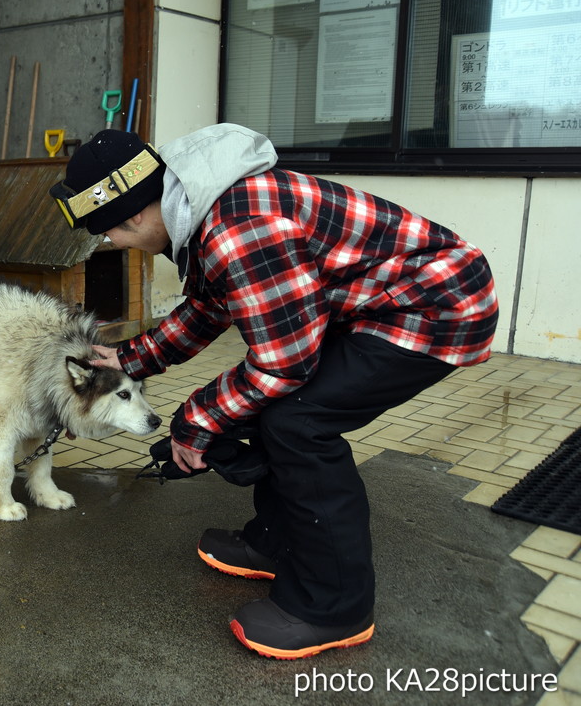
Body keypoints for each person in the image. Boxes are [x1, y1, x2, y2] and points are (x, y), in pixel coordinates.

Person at [49, 124, 499, 660]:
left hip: (435, 308)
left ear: (136, 214)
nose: (112, 245)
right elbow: (213, 303)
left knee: (300, 423)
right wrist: (133, 356)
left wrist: (194, 423)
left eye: (112, 236)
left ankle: (334, 608)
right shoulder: (202, 206)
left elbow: (284, 363)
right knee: (273, 408)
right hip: (375, 306)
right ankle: (277, 543)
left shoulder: (238, 227)